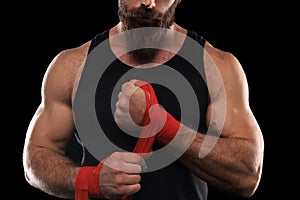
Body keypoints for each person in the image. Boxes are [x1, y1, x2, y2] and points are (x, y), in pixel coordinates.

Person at [22, 0, 264, 200]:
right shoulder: (72, 66)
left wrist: (160, 124)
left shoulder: (215, 67)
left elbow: (248, 174)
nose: (148, 3)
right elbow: (35, 158)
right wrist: (91, 181)